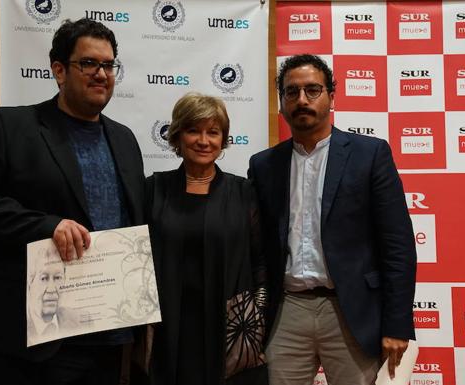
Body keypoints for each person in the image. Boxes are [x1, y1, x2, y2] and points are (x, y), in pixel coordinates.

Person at [0, 18, 145, 385]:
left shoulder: (126, 140)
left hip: (104, 335)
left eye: (108, 64)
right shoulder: (9, 126)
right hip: (22, 340)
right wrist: (45, 225)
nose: (101, 74)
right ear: (58, 69)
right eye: (88, 63)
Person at [248, 54, 417, 385]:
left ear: (331, 96)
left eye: (312, 90)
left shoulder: (370, 155)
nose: (301, 100)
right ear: (281, 102)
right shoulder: (264, 165)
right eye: (291, 92)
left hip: (351, 311)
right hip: (287, 311)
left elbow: (398, 246)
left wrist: (397, 324)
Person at [145, 92, 268, 385]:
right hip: (168, 328)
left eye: (213, 132)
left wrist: (257, 317)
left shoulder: (244, 193)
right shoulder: (152, 190)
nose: (203, 140)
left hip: (228, 329)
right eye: (193, 130)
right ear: (177, 136)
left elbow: (260, 261)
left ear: (223, 140)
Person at [26, 248, 78, 346]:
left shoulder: (80, 320)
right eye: (44, 278)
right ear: (30, 284)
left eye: (57, 277)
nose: (51, 289)